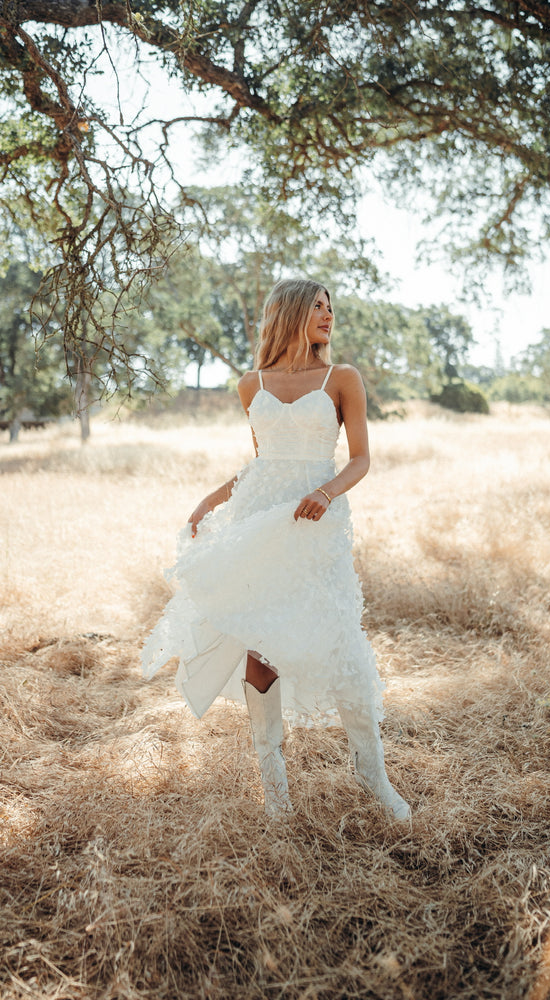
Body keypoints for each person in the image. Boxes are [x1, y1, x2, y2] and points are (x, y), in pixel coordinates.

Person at [142, 277, 410, 822]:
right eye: (317, 305)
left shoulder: (343, 378)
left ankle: (370, 772)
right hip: (260, 523)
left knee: (339, 639)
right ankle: (276, 792)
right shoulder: (250, 384)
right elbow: (261, 465)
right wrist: (210, 502)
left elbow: (359, 459)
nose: (328, 315)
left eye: (330, 307)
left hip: (317, 523)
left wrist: (324, 492)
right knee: (260, 651)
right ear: (289, 312)